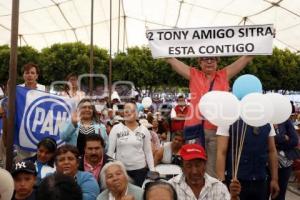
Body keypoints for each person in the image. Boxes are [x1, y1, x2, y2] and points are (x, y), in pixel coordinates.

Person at [166, 56, 254, 178]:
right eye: (205, 58)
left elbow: (245, 58)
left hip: (217, 130)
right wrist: (159, 45)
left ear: (218, 62)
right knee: (193, 166)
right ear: (199, 62)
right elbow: (171, 60)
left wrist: (262, 40)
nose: (209, 61)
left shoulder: (224, 75)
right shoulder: (194, 74)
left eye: (213, 59)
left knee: (212, 170)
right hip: (195, 130)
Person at [216, 119, 280, 200]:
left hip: (261, 180)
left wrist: (275, 179)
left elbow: (272, 151)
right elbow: (221, 152)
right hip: (235, 183)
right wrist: (222, 183)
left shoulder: (266, 119)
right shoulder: (229, 118)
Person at [168, 144, 241, 200]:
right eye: (189, 166)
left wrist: (234, 197)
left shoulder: (219, 187)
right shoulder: (170, 187)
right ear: (182, 167)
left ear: (205, 165)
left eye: (198, 165)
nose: (194, 171)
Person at [107, 102, 155, 187]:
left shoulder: (144, 130)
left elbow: (148, 152)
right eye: (126, 111)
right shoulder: (116, 129)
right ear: (123, 113)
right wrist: (109, 169)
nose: (129, 113)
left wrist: (152, 169)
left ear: (137, 113)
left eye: (132, 111)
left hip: (140, 170)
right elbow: (110, 152)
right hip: (121, 170)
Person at [270, 119, 299, 200]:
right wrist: (283, 138)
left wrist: (276, 145)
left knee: (280, 194)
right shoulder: (264, 121)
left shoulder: (285, 121)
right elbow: (264, 142)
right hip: (266, 165)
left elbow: (294, 140)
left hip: (284, 164)